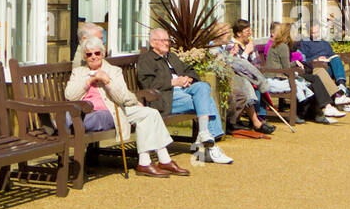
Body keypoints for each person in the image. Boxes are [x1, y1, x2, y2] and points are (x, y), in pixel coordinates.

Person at [65, 38, 187, 177]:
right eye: (89, 54)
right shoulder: (79, 72)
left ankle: (159, 160)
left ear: (102, 54)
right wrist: (89, 81)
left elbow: (121, 98)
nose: (93, 57)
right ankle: (149, 163)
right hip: (95, 112)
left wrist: (108, 82)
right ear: (85, 57)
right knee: (146, 115)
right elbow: (70, 95)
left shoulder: (113, 71)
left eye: (97, 53)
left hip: (116, 108)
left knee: (150, 113)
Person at [136, 27, 233, 164]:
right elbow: (147, 83)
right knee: (206, 101)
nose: (167, 43)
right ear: (152, 43)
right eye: (163, 40)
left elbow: (190, 70)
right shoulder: (146, 59)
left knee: (203, 87)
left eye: (168, 40)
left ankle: (204, 133)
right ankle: (210, 147)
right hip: (164, 96)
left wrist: (188, 78)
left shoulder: (171, 57)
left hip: (183, 90)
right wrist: (173, 82)